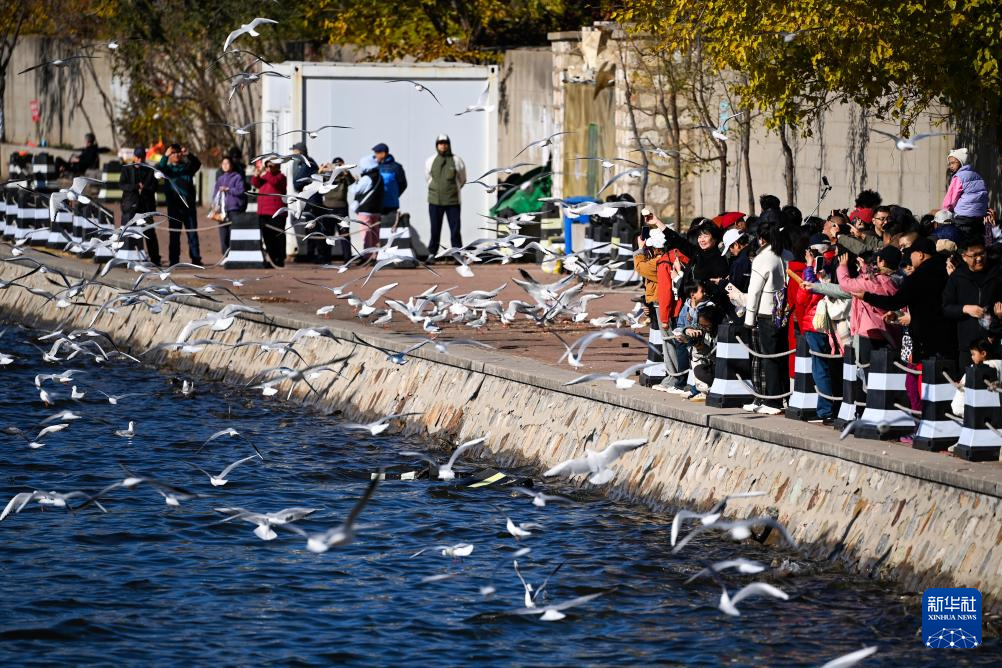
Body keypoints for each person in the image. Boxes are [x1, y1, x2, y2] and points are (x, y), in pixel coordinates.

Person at [858, 236, 957, 364]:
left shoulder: (917, 277)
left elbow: (895, 302)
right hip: (950, 334)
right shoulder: (948, 271)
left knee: (924, 378)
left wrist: (867, 296)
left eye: (912, 254)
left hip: (926, 337)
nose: (910, 258)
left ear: (920, 255)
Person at [743, 224, 789, 414]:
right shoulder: (785, 255)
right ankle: (783, 396)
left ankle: (772, 401)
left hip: (765, 312)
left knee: (768, 358)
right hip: (782, 311)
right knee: (780, 356)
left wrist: (749, 318)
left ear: (761, 239)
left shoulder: (762, 258)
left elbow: (754, 291)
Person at [836, 247, 901, 365]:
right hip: (890, 334)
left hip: (869, 333)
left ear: (881, 261)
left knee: (867, 373)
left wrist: (843, 266)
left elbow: (846, 284)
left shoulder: (873, 282)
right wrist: (865, 270)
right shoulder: (895, 281)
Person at [943, 238, 1000, 369]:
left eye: (982, 254)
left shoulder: (996, 274)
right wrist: (965, 309)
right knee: (968, 384)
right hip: (967, 346)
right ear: (964, 257)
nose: (979, 259)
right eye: (974, 256)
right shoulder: (957, 277)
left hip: (992, 343)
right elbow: (946, 308)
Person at [157, 143, 202, 266]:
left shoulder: (187, 168)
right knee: (174, 235)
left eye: (178, 152)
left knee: (192, 233)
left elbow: (197, 164)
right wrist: (165, 156)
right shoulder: (167, 170)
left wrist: (189, 154)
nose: (176, 155)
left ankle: (196, 258)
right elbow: (158, 169)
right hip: (174, 207)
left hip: (189, 207)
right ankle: (174, 260)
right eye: (173, 153)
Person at [425, 134, 467, 257]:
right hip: (434, 201)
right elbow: (428, 178)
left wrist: (452, 190)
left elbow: (462, 178)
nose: (443, 145)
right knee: (435, 229)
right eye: (440, 143)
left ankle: (457, 254)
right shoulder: (430, 160)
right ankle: (432, 253)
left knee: (455, 230)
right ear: (436, 145)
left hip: (453, 202)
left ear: (449, 144)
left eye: (445, 143)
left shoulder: (456, 160)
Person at [119, 146, 160, 265]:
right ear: (134, 157)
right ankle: (128, 258)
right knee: (129, 232)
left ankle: (155, 259)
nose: (140, 160)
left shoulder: (150, 170)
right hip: (130, 206)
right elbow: (122, 185)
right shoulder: (126, 169)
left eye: (142, 157)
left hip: (146, 208)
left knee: (150, 233)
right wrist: (136, 186)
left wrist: (145, 187)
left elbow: (154, 187)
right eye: (138, 157)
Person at [942, 148, 989, 243]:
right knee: (975, 241)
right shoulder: (977, 175)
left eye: (953, 163)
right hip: (979, 216)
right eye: (949, 163)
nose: (950, 166)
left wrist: (945, 211)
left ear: (961, 162)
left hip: (963, 217)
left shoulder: (958, 177)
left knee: (962, 242)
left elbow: (951, 199)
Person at [251, 159, 287, 267]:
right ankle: (271, 258)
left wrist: (265, 173)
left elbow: (275, 182)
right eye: (267, 166)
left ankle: (279, 259)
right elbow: (256, 184)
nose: (268, 168)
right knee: (267, 238)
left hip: (276, 213)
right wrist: (256, 175)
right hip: (264, 212)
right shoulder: (265, 176)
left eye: (271, 166)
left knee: (278, 237)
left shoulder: (281, 177)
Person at [319, 157, 356, 264]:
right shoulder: (327, 175)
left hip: (340, 208)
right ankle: (326, 259)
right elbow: (317, 183)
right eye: (335, 165)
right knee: (329, 235)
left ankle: (347, 259)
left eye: (340, 165)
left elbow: (352, 182)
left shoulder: (345, 176)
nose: (337, 167)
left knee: (344, 235)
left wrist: (346, 171)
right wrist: (321, 171)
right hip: (328, 208)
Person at [291, 141, 322, 262]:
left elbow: (297, 182)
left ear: (299, 152)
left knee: (314, 228)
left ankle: (318, 254)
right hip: (308, 200)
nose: (292, 153)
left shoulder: (307, 163)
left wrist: (299, 184)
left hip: (312, 200)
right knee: (310, 227)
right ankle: (311, 253)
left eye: (294, 151)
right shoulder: (301, 163)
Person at [211, 156, 247, 254]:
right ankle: (225, 255)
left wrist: (229, 189)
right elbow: (215, 194)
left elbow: (241, 191)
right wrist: (214, 206)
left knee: (233, 232)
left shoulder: (237, 177)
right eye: (223, 164)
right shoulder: (220, 178)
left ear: (231, 165)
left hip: (234, 209)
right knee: (223, 234)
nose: (225, 166)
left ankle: (234, 254)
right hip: (222, 210)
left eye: (227, 163)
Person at [353, 154, 385, 257]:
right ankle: (376, 255)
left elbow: (356, 190)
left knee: (366, 233)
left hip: (365, 210)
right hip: (376, 209)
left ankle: (367, 256)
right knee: (375, 233)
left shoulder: (367, 178)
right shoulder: (380, 177)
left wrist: (353, 182)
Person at [372, 142, 407, 228]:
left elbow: (403, 184)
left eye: (377, 153)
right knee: (376, 230)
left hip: (391, 206)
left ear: (383, 153)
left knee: (390, 229)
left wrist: (394, 195)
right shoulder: (374, 166)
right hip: (377, 205)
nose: (375, 156)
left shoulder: (396, 167)